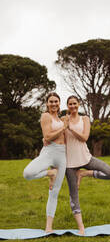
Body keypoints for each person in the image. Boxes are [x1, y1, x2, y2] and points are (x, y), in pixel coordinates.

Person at [46, 95, 110, 235]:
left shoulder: (85, 119)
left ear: (79, 104)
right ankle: (81, 227)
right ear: (67, 105)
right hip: (70, 164)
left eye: (75, 103)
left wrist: (70, 128)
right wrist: (54, 167)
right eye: (70, 104)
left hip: (86, 158)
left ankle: (83, 173)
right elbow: (57, 141)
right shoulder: (63, 120)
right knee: (74, 195)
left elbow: (84, 137)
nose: (72, 106)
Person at [23, 92, 68, 233]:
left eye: (56, 101)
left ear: (59, 103)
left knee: (54, 193)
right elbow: (47, 137)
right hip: (49, 152)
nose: (54, 104)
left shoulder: (61, 119)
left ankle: (49, 227)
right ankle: (50, 173)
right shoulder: (46, 116)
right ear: (47, 103)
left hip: (62, 154)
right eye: (51, 101)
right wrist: (63, 128)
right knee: (28, 173)